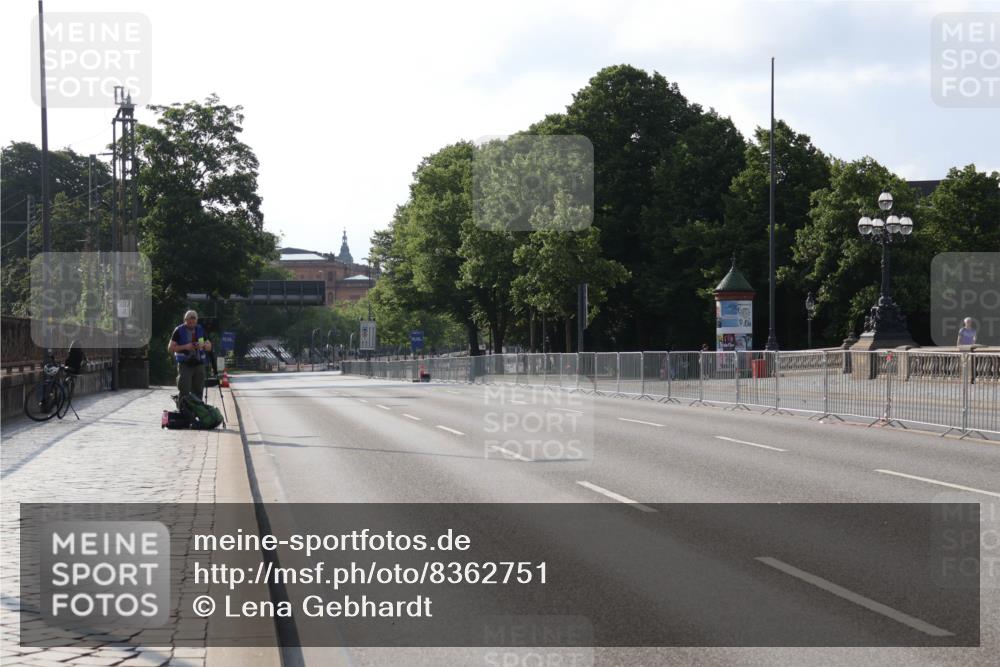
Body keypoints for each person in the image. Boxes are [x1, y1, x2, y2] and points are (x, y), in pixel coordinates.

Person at [168, 310, 212, 399]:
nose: (191, 321)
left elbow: (209, 347)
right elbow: (170, 348)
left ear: (197, 320)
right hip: (185, 364)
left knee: (198, 391)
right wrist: (185, 347)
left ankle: (197, 407)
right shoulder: (179, 330)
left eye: (193, 318)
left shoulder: (200, 329)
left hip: (199, 364)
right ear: (185, 320)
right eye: (189, 319)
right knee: (184, 390)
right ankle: (183, 406)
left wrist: (203, 345)